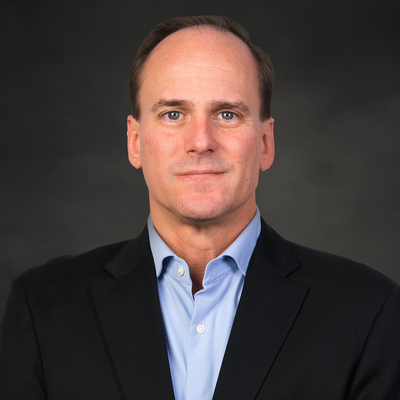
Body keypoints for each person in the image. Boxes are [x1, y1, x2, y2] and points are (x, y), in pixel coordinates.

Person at [1, 15, 399, 400]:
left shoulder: (369, 312)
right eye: (173, 114)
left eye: (227, 114)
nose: (201, 141)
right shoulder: (42, 308)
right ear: (135, 142)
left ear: (265, 143)